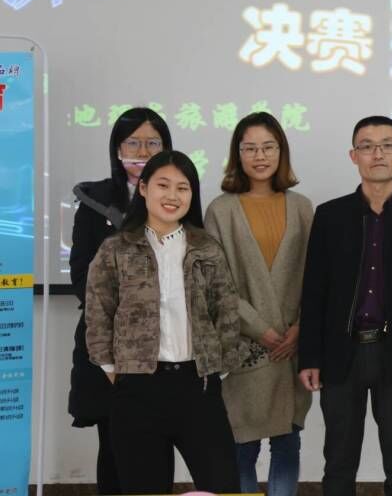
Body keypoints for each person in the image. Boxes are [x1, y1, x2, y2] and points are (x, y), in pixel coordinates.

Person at [298, 115, 392, 496]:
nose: (377, 154)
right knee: (338, 462)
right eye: (367, 146)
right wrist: (309, 356)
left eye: (387, 145)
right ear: (353, 156)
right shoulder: (330, 216)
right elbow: (314, 292)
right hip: (341, 353)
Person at [85, 150, 241, 495]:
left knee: (223, 487)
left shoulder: (207, 248)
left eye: (183, 188)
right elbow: (98, 312)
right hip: (137, 390)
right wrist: (113, 369)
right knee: (145, 489)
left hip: (198, 387)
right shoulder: (116, 248)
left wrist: (218, 368)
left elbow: (227, 310)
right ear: (143, 188)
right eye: (163, 185)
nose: (173, 196)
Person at [205, 112, 314, 496]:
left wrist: (299, 327)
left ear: (281, 151)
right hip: (244, 348)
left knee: (288, 445)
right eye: (250, 148)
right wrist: (261, 330)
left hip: (292, 348)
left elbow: (318, 276)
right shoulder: (221, 210)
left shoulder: (302, 207)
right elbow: (217, 284)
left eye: (268, 147)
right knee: (242, 449)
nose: (260, 156)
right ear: (237, 154)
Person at [67, 106, 172, 494]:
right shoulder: (95, 202)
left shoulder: (179, 197)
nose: (143, 152)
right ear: (117, 149)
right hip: (109, 344)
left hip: (166, 346)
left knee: (158, 441)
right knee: (113, 442)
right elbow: (81, 275)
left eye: (152, 143)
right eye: (133, 143)